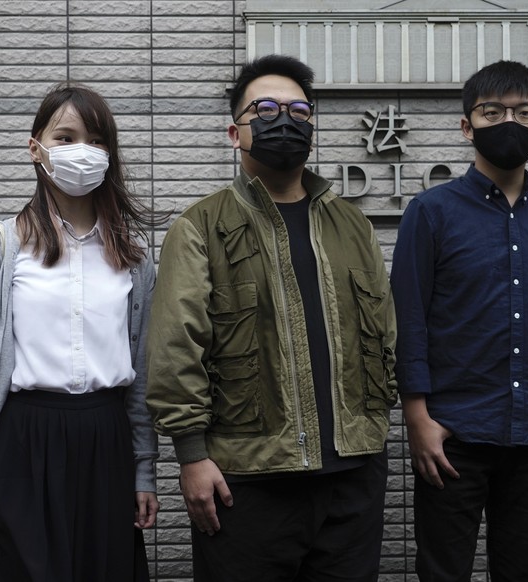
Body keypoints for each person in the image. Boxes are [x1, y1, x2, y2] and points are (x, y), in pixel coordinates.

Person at [145, 54, 397, 582]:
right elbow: (174, 349)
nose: (283, 119)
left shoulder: (353, 225)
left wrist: (377, 437)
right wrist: (190, 456)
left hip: (353, 477)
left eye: (298, 110)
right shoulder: (200, 227)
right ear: (235, 133)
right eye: (264, 108)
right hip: (246, 481)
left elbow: (385, 336)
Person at [390, 60, 528, 581]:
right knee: (443, 571)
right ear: (468, 125)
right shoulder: (431, 211)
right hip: (452, 434)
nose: (510, 121)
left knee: (525, 569)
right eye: (493, 111)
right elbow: (407, 320)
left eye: (524, 112)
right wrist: (417, 419)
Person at [0, 82, 160, 581]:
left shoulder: (135, 257)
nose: (80, 151)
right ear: (35, 147)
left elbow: (141, 377)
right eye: (64, 137)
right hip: (22, 441)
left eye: (95, 139)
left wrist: (144, 469)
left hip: (107, 442)